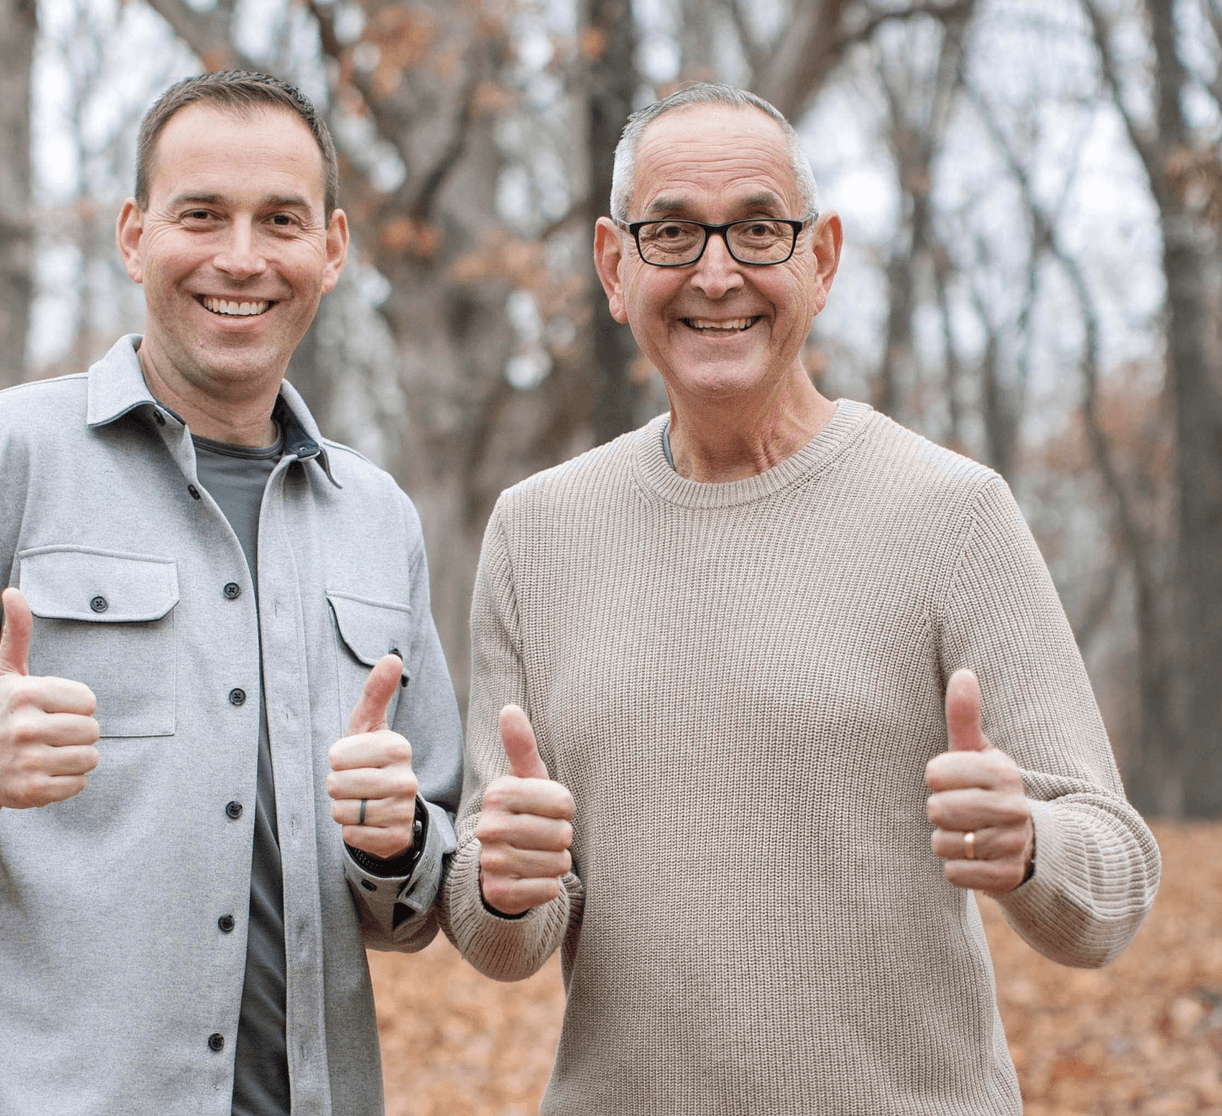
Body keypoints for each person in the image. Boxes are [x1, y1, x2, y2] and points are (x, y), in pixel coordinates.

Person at [438, 83, 1161, 1114]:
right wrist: (509, 885)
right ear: (614, 265)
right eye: (674, 232)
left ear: (820, 258)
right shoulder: (535, 531)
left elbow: (1118, 882)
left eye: (759, 229)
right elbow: (492, 928)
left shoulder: (952, 513)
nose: (718, 272)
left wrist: (1030, 845)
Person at [0, 71, 461, 1116]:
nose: (241, 257)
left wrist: (399, 842)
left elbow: (422, 893)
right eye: (202, 215)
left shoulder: (379, 518)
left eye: (279, 220)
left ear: (331, 249)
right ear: (135, 236)